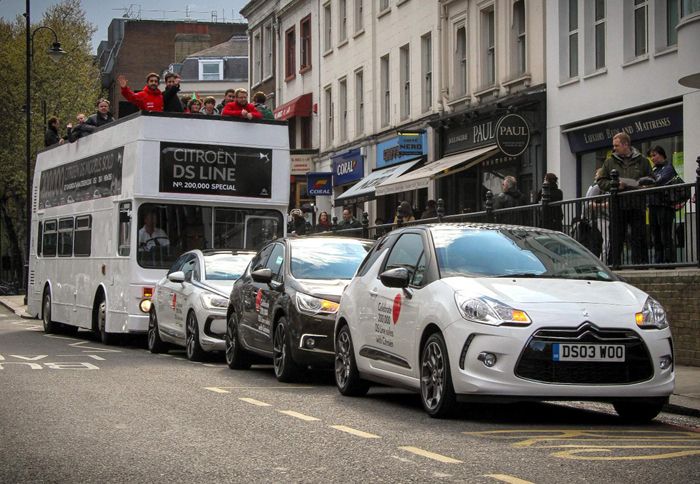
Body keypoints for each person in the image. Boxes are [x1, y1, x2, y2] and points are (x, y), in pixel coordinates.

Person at [597, 132, 652, 265]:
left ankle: (640, 265)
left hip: (637, 203)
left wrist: (645, 184)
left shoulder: (643, 161)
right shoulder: (609, 162)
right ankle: (614, 265)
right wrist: (614, 185)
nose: (614, 148)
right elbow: (601, 181)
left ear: (625, 144)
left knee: (638, 237)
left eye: (616, 145)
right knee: (616, 237)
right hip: (618, 205)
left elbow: (652, 178)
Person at [649, 145, 677, 263]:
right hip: (653, 206)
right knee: (656, 236)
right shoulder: (654, 170)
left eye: (654, 155)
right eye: (651, 156)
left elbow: (660, 181)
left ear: (661, 154)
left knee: (665, 235)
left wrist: (649, 183)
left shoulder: (668, 167)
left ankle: (669, 261)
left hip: (665, 206)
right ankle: (658, 261)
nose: (652, 159)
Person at [584, 168, 609, 262]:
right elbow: (588, 203)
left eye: (597, 174)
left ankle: (602, 261)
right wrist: (605, 205)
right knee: (605, 241)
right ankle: (603, 262)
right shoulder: (597, 187)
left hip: (602, 217)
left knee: (601, 241)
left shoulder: (597, 186)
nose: (595, 176)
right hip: (601, 217)